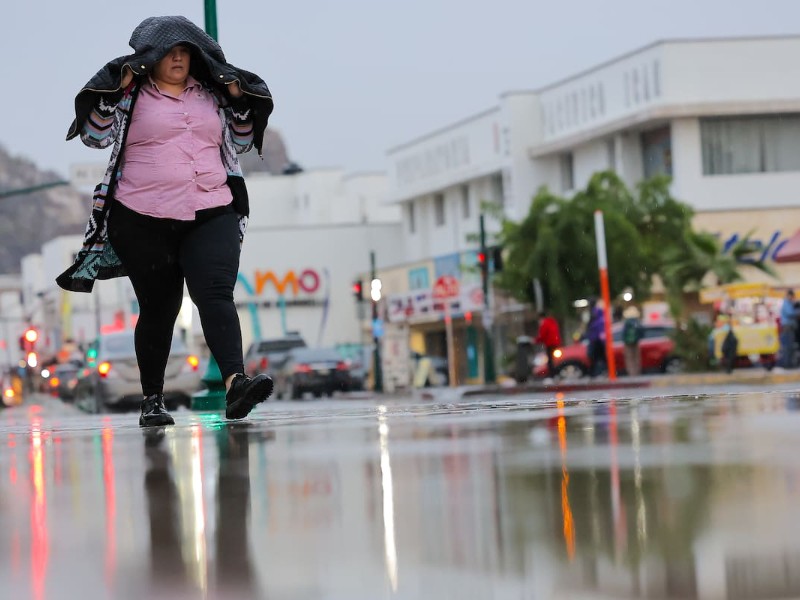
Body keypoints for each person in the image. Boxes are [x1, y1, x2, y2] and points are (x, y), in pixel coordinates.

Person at [56, 16, 275, 427]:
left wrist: (239, 98)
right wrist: (112, 90)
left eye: (185, 51)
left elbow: (243, 139)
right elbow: (95, 135)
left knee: (215, 293)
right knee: (160, 308)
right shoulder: (132, 94)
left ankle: (235, 384)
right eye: (170, 51)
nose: (178, 57)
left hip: (212, 208)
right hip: (142, 217)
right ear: (151, 57)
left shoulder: (211, 94)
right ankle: (153, 399)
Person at [534, 310, 562, 379]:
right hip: (556, 343)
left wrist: (535, 341)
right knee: (555, 359)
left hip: (550, 343)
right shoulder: (552, 321)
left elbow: (542, 335)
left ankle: (552, 374)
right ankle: (556, 373)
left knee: (550, 360)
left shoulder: (544, 323)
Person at [586, 298, 607, 377]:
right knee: (600, 357)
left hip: (595, 339)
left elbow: (597, 326)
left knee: (595, 357)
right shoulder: (597, 313)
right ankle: (599, 372)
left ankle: (595, 373)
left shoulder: (595, 313)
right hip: (596, 339)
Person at [621, 305, 643, 376]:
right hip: (636, 341)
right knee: (637, 357)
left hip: (627, 342)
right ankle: (637, 372)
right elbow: (641, 331)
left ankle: (631, 372)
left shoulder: (626, 323)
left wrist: (624, 340)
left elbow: (623, 333)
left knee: (629, 358)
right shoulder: (637, 322)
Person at [779, 289, 797, 368]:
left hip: (789, 326)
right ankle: (787, 364)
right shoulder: (786, 303)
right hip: (787, 326)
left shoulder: (789, 303)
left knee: (789, 346)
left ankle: (789, 363)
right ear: (789, 295)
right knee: (787, 346)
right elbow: (790, 313)